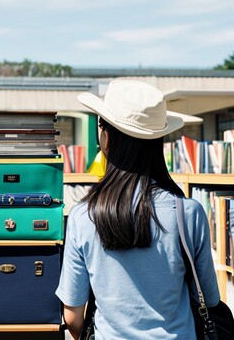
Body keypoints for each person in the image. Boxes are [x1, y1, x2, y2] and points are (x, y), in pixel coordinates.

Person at [55, 79, 220, 339]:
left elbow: (73, 316)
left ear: (107, 138)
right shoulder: (188, 212)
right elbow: (209, 300)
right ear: (158, 142)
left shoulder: (83, 215)